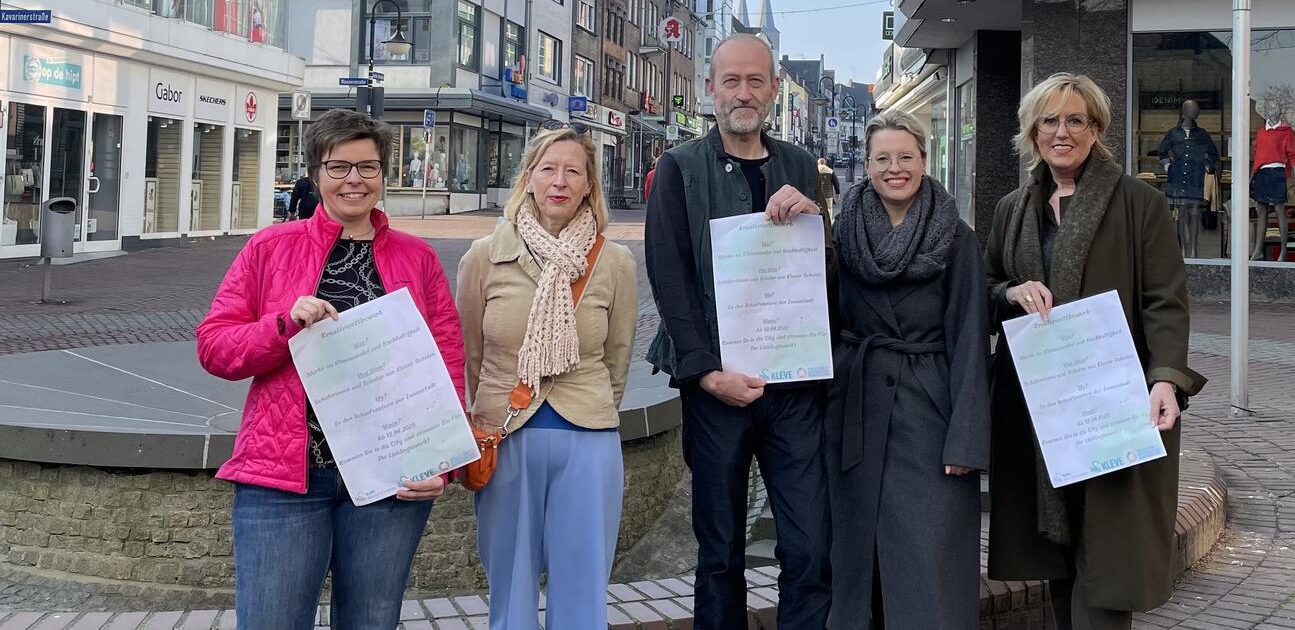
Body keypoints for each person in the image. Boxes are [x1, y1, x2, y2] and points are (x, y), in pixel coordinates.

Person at [197, 109, 465, 630]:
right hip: (284, 478)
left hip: (390, 476)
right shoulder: (269, 247)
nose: (354, 180)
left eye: (368, 167)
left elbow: (446, 363)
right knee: (271, 621)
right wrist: (282, 325)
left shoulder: (419, 257)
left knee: (370, 620)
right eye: (339, 166)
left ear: (385, 173)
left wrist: (443, 460)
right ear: (316, 172)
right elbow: (215, 347)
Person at [984, 74, 1206, 630]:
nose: (1062, 132)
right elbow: (985, 289)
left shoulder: (1140, 203)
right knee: (1054, 553)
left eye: (1075, 120)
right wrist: (1010, 292)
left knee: (1106, 557)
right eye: (1049, 121)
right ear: (1032, 132)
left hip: (1115, 404)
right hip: (1038, 407)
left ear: (1096, 129)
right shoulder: (1012, 209)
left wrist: (1166, 379)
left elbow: (1165, 303)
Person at [646, 33, 833, 630]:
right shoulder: (678, 168)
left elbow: (821, 274)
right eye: (732, 81)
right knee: (720, 552)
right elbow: (669, 275)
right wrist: (704, 372)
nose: (744, 93)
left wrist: (813, 223)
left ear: (774, 90)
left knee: (809, 549)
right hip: (716, 389)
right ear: (710, 89)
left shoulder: (802, 166)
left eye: (756, 81)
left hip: (794, 388)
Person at [456, 125, 637, 629]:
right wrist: (486, 412)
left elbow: (617, 359)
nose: (559, 181)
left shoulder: (616, 262)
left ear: (588, 185)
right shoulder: (483, 257)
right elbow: (471, 356)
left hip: (588, 438)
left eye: (573, 171)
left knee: (582, 594)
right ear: (529, 178)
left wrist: (595, 407)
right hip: (506, 436)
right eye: (548, 169)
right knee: (510, 593)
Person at [825, 109, 989, 629]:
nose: (895, 168)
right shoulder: (842, 229)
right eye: (882, 159)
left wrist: (966, 439)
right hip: (856, 407)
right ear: (866, 166)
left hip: (929, 413)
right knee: (857, 558)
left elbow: (969, 336)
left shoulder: (957, 237)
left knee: (928, 559)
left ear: (924, 159)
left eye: (905, 157)